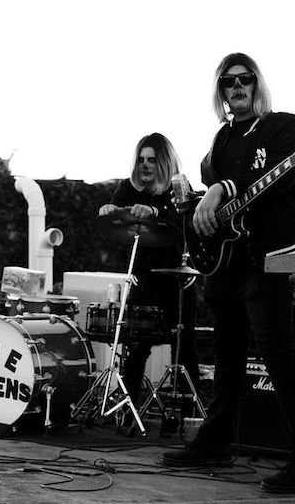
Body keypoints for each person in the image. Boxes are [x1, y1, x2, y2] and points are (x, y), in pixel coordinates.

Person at [160, 53, 295, 494]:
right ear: (220, 92)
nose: (237, 87)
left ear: (257, 83)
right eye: (227, 82)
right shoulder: (222, 139)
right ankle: (215, 441)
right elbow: (214, 190)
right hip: (226, 259)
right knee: (226, 353)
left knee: (277, 351)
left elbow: (282, 179)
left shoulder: (284, 127)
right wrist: (202, 201)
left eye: (245, 78)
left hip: (271, 256)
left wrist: (223, 187)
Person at [98, 133, 199, 409]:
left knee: (184, 346)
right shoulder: (127, 188)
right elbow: (117, 215)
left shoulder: (179, 186)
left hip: (177, 281)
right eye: (141, 159)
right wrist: (110, 210)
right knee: (136, 345)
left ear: (164, 162)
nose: (144, 165)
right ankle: (128, 407)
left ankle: (189, 410)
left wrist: (155, 211)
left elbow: (185, 221)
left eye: (152, 160)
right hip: (144, 278)